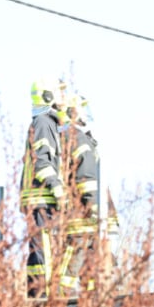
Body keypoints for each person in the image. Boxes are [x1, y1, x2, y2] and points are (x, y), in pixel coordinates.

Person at [20, 77, 68, 298]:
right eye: (60, 95)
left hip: (38, 199)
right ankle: (42, 295)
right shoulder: (44, 123)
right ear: (49, 97)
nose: (64, 100)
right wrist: (58, 189)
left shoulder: (44, 123)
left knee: (40, 249)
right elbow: (42, 161)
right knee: (44, 250)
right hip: (42, 198)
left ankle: (38, 294)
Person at [59, 92, 100, 295]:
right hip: (80, 214)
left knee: (90, 262)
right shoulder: (78, 140)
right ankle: (62, 297)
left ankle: (88, 297)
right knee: (75, 258)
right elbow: (86, 177)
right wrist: (93, 206)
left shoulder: (69, 138)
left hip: (78, 213)